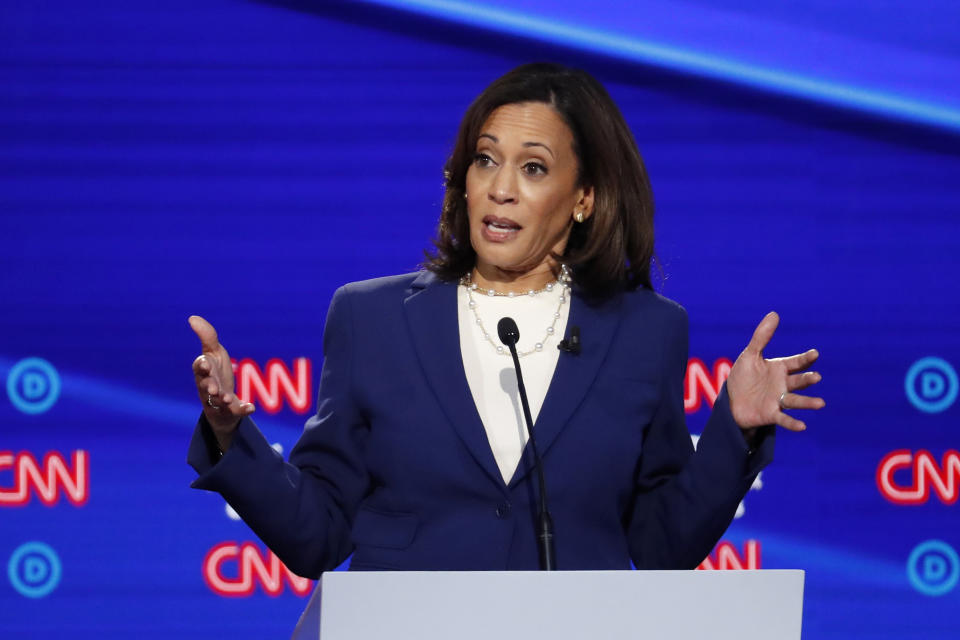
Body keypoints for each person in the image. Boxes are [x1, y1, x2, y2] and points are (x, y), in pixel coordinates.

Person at [187, 63, 824, 575]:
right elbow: (316, 536)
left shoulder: (645, 331)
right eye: (486, 159)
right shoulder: (370, 318)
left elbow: (662, 546)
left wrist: (733, 431)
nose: (501, 188)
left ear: (584, 199)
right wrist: (226, 433)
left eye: (534, 168)